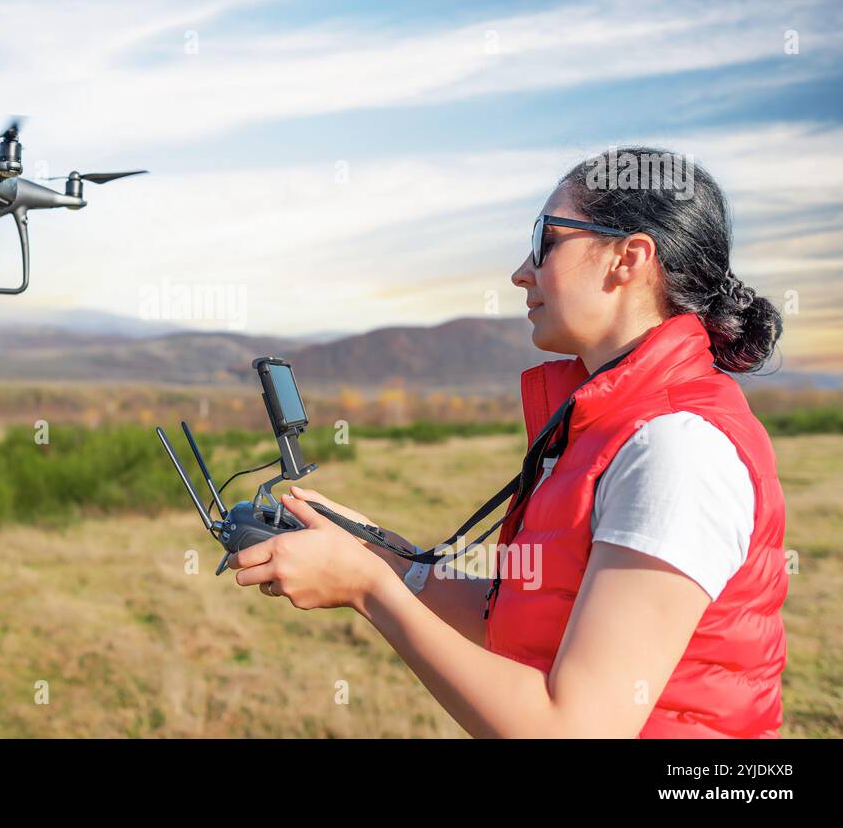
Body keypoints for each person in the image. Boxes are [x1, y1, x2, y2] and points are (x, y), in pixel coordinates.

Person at [230, 147, 788, 738]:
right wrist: (382, 555)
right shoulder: (609, 421)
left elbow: (572, 730)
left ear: (630, 257)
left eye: (545, 240)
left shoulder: (676, 447)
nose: (522, 271)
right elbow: (521, 623)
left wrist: (369, 591)